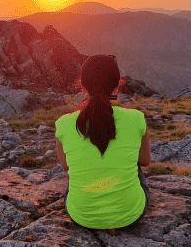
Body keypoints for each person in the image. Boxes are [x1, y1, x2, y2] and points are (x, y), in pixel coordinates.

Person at [55, 54, 151, 230]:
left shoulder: (64, 123)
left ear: (83, 86)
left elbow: (66, 167)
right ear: (117, 86)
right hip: (130, 215)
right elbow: (144, 161)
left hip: (82, 217)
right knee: (135, 167)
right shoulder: (136, 118)